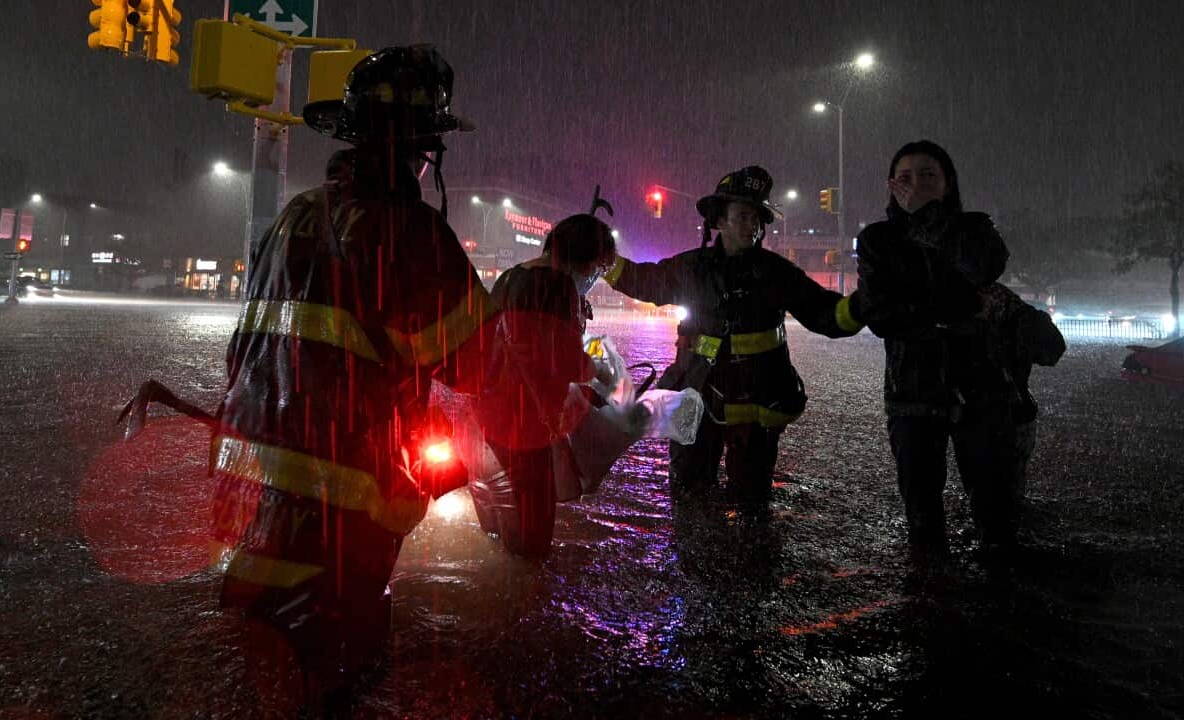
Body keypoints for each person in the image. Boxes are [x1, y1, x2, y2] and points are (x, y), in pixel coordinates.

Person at [208, 45, 495, 704]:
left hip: (249, 481)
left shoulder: (293, 217)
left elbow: (245, 348)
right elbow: (477, 367)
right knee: (342, 667)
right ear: (425, 151)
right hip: (343, 506)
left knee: (253, 664)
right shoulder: (416, 235)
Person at [604, 166, 864, 504]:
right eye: (742, 215)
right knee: (690, 494)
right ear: (720, 221)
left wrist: (862, 306)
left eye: (757, 218)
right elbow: (644, 280)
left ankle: (748, 551)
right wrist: (601, 256)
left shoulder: (776, 273)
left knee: (751, 500)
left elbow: (824, 313)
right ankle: (696, 552)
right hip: (697, 398)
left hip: (755, 407)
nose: (752, 225)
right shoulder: (691, 268)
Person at [855, 140, 1017, 554]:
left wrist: (929, 217)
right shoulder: (877, 240)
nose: (917, 185)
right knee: (923, 515)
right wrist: (960, 311)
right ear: (892, 186)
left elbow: (983, 267)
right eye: (905, 178)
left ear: (948, 183)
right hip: (911, 392)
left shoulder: (976, 231)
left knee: (995, 513)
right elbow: (882, 316)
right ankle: (929, 599)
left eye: (928, 176)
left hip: (981, 388)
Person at [472, 209, 617, 559]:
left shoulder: (510, 277)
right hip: (525, 431)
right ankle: (519, 606)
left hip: (486, 425)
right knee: (530, 548)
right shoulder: (557, 285)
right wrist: (598, 369)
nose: (595, 278)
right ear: (585, 262)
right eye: (599, 269)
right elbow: (565, 360)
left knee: (498, 531)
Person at [979, 282, 1066, 499]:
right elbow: (1052, 351)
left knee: (995, 473)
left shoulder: (1015, 317)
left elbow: (1052, 351)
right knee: (1008, 473)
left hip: (996, 407)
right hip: (1009, 406)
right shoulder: (1016, 312)